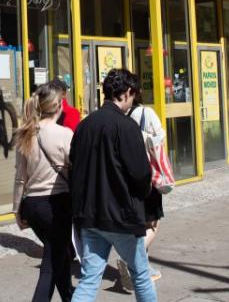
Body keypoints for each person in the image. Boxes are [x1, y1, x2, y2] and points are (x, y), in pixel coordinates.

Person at [69, 68, 156, 302]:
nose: (133, 101)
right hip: (122, 216)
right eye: (133, 95)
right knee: (140, 275)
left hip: (90, 215)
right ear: (127, 93)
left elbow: (74, 166)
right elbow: (140, 174)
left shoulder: (85, 126)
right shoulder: (126, 127)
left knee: (89, 279)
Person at [13, 83, 74, 302]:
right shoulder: (65, 134)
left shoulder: (25, 134)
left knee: (59, 255)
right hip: (57, 205)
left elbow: (20, 177)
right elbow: (75, 167)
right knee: (51, 263)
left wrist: (17, 210)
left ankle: (70, 296)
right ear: (58, 106)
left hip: (33, 206)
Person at [117, 87, 165, 292]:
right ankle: (129, 259)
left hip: (127, 177)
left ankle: (143, 266)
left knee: (138, 223)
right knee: (152, 224)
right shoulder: (147, 113)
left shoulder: (121, 116)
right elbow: (160, 138)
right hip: (147, 174)